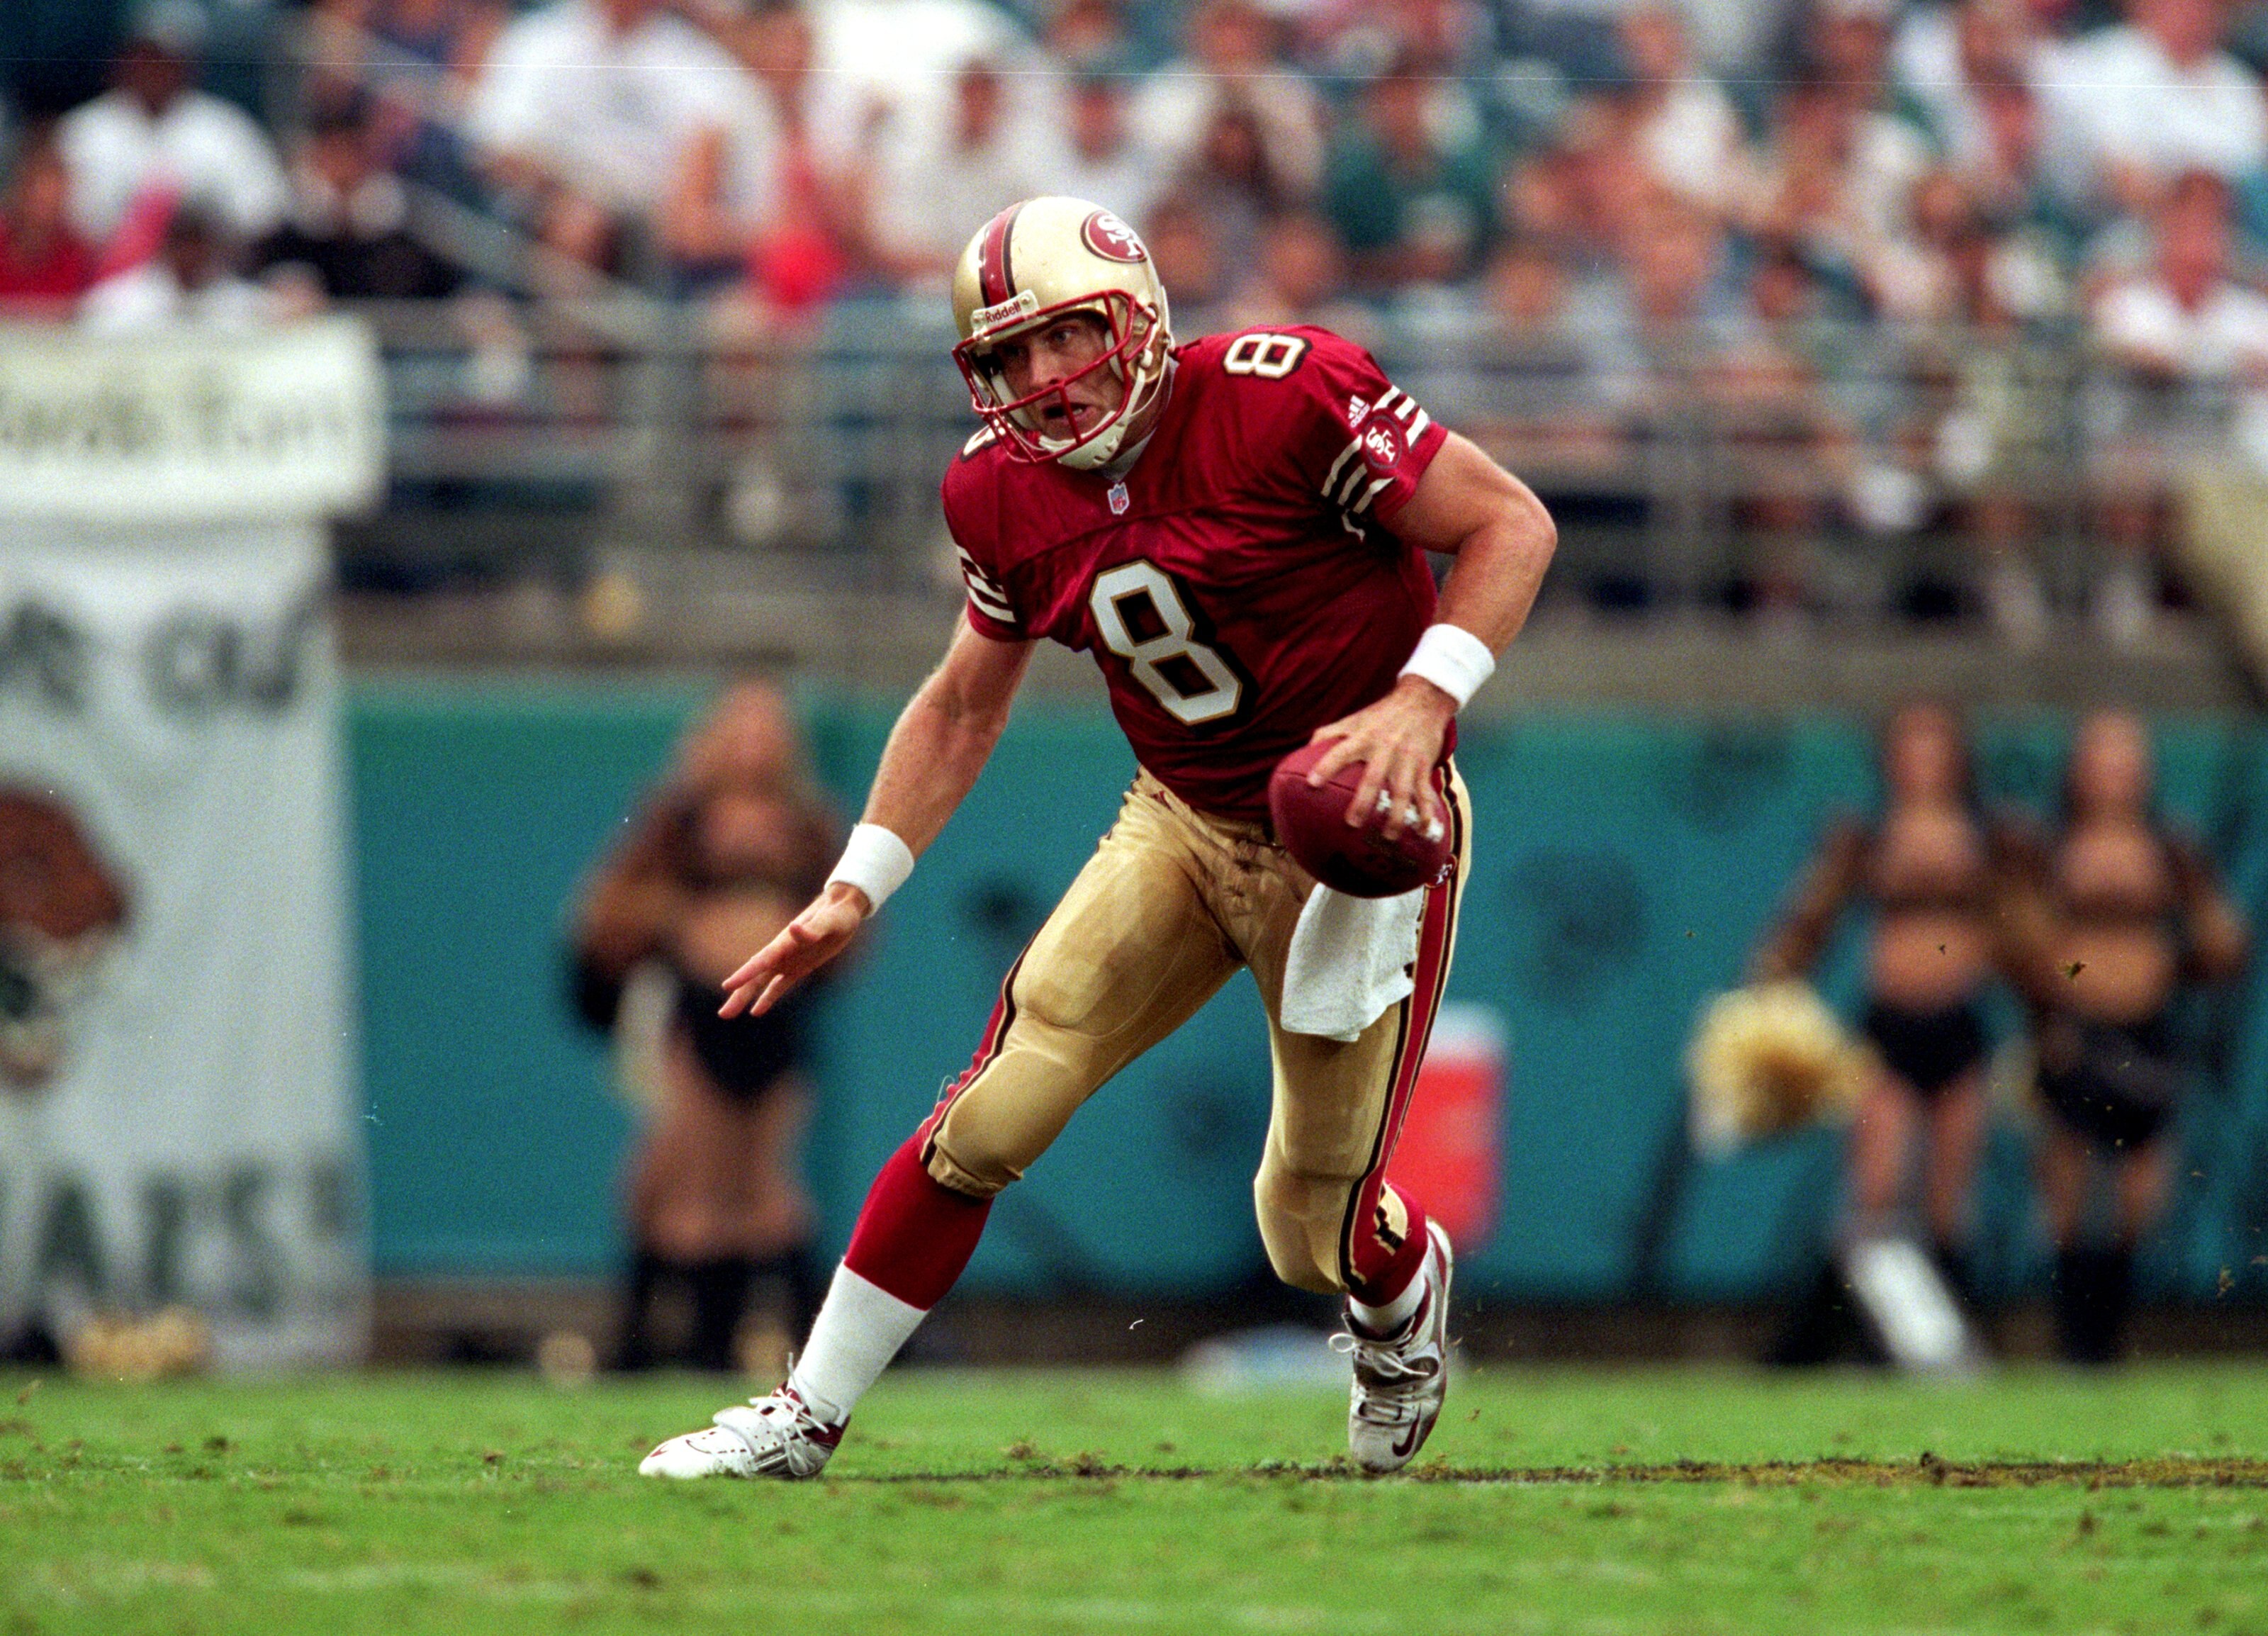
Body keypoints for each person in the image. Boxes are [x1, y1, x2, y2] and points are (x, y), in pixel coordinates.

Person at [640, 194, 1556, 1479]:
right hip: (1180, 816)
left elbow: (1510, 520)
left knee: (1306, 1225)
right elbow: (964, 698)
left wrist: (1421, 700)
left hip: (1355, 825)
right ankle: (801, 1415)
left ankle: (1400, 1308)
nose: (1041, 380)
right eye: (1005, 357)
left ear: (1137, 316)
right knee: (990, 1112)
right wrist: (859, 881)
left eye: (1063, 338)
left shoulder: (1284, 391)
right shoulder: (995, 490)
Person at [571, 682, 840, 1372]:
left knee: (761, 1189)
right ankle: (656, 1344)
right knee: (676, 1182)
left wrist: (791, 933)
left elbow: (850, 918)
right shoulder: (677, 819)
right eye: (741, 728)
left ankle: (792, 1348)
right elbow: (608, 912)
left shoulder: (808, 824)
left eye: (769, 728)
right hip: (693, 1019)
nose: (755, 744)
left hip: (774, 1021)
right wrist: (687, 926)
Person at [1996, 709, 2247, 1362]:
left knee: (2141, 1198)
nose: (2115, 772)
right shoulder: (2051, 845)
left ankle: (2109, 1334)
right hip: (2076, 1031)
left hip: (2148, 1030)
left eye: (2127, 758)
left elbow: (2223, 940)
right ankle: (2072, 1341)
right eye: (2102, 756)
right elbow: (2019, 941)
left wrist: (2177, 967)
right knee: (2070, 1189)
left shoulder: (2169, 847)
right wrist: (2047, 1009)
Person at [1753, 702, 2002, 1319]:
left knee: (1950, 1201)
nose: (1922, 761)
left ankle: (1949, 1336)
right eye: (1909, 746)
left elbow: (2021, 932)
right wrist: (1773, 980)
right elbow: (1812, 917)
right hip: (1890, 1026)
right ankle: (1833, 1338)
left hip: (1961, 1025)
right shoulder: (1866, 834)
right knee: (1876, 1191)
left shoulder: (1990, 836)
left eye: (1934, 746)